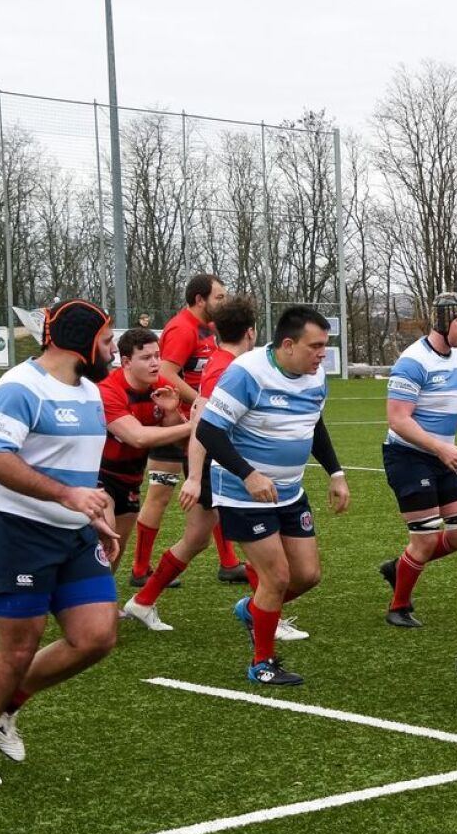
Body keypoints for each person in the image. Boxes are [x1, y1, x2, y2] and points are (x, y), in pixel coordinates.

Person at [0, 300, 121, 788]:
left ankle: (6, 709)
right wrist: (68, 495)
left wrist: (95, 511)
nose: (113, 351)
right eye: (108, 341)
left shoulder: (89, 391)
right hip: (14, 530)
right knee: (18, 647)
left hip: (73, 533)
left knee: (96, 637)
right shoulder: (21, 387)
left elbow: (76, 468)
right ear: (83, 342)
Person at [122, 297, 304, 637]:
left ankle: (143, 601)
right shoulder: (227, 369)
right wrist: (194, 476)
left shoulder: (224, 362)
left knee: (196, 539)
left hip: (217, 462)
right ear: (251, 332)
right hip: (219, 464)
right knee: (258, 538)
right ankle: (264, 615)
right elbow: (203, 423)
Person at [195, 306, 350, 687]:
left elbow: (314, 425)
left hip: (290, 491)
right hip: (243, 495)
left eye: (325, 345)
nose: (322, 354)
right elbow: (209, 431)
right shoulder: (247, 373)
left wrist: (336, 473)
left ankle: (254, 609)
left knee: (307, 576)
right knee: (276, 578)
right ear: (288, 344)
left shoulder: (315, 378)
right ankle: (262, 663)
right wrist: (248, 475)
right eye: (315, 346)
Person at [377, 293, 457, 628]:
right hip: (408, 457)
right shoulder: (412, 362)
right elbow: (398, 420)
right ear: (442, 322)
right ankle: (398, 607)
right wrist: (440, 448)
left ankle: (401, 566)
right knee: (426, 538)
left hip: (443, 455)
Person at [135, 273, 246, 587]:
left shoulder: (208, 328)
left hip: (197, 424)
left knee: (212, 492)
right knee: (160, 494)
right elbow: (166, 373)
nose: (224, 302)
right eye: (219, 297)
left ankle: (228, 563)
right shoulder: (183, 328)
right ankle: (140, 570)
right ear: (200, 300)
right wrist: (201, 401)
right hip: (174, 423)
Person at [97, 328, 193, 568]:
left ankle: (106, 593)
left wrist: (171, 413)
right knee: (105, 537)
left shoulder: (161, 386)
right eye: (146, 358)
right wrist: (194, 425)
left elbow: (179, 442)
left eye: (157, 356)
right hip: (98, 476)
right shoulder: (108, 390)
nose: (155, 363)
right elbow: (137, 438)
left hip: (131, 479)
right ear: (126, 362)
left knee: (114, 554)